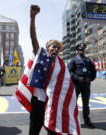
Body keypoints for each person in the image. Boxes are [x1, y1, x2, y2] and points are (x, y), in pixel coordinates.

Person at [29, 5, 80, 135]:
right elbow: (33, 38)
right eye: (53, 47)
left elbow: (66, 83)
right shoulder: (41, 56)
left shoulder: (61, 64)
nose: (56, 49)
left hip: (53, 101)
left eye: (58, 48)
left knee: (52, 129)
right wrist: (32, 17)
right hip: (39, 99)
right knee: (34, 129)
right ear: (47, 47)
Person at [67, 43, 96, 128]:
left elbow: (94, 72)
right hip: (76, 84)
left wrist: (90, 79)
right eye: (80, 49)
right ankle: (71, 122)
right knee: (73, 103)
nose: (82, 51)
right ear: (77, 50)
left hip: (86, 84)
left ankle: (87, 121)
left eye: (83, 49)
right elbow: (69, 72)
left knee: (86, 104)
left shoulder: (88, 60)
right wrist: (77, 78)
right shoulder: (73, 60)